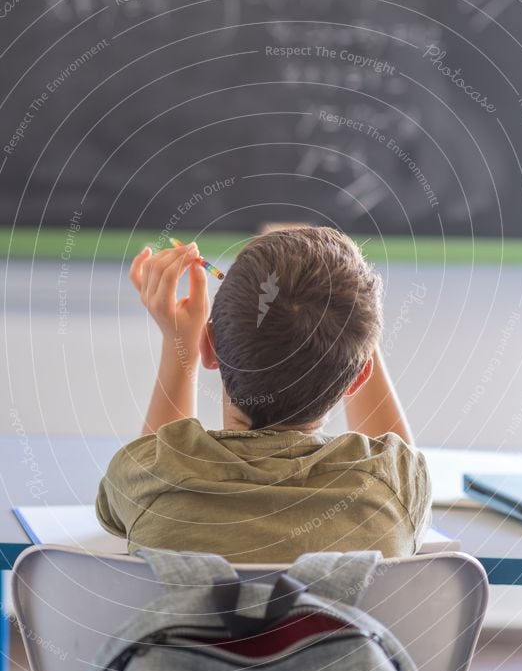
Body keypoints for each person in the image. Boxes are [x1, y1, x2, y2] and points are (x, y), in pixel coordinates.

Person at [96, 227, 431, 562]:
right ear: (358, 379)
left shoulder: (153, 480)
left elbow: (159, 455)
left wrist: (178, 344)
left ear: (209, 349)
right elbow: (398, 453)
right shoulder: (393, 489)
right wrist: (347, 316)